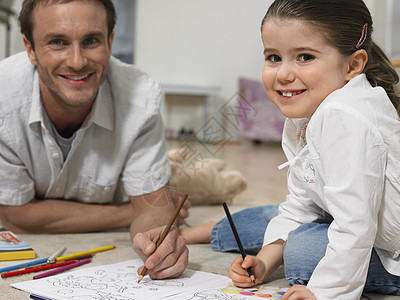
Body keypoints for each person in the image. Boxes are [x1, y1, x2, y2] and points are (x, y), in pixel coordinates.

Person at [182, 0, 400, 298]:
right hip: (350, 216)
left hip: (389, 247)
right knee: (275, 217)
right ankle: (208, 231)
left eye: (305, 57)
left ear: (353, 65)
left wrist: (324, 293)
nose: (283, 74)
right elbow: (301, 205)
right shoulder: (304, 116)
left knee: (301, 251)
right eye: (273, 57)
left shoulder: (345, 115)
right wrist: (264, 261)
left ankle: (221, 231)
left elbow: (355, 226)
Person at [0, 0, 190, 280]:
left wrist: (157, 239)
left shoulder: (141, 97)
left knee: (187, 184)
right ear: (30, 49)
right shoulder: (4, 98)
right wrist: (131, 210)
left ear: (110, 42)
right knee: (175, 188)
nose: (77, 62)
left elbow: (151, 209)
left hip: (120, 183)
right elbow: (16, 216)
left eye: (91, 41)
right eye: (57, 42)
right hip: (118, 196)